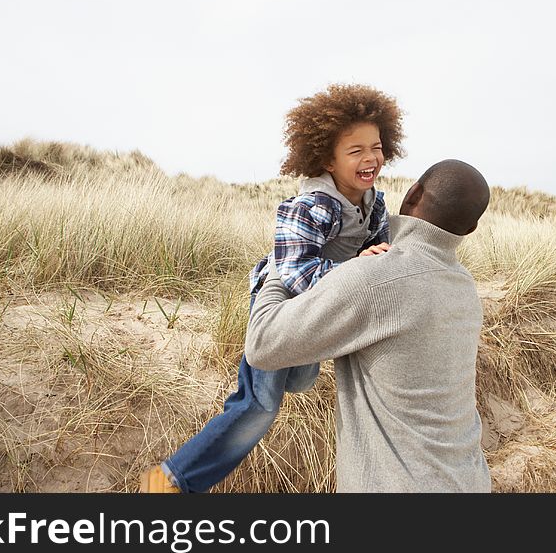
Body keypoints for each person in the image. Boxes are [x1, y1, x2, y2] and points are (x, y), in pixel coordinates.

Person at [141, 83, 406, 493]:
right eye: (355, 151)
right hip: (280, 300)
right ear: (326, 160)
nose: (370, 158)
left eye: (376, 146)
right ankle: (168, 481)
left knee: (299, 380)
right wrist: (354, 268)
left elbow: (379, 250)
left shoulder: (374, 202)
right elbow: (296, 271)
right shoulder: (311, 205)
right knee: (260, 405)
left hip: (322, 299)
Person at [244, 159, 492, 492]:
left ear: (413, 193)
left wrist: (282, 261)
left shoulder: (375, 279)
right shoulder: (464, 287)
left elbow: (262, 344)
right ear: (469, 229)